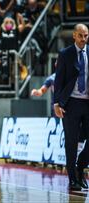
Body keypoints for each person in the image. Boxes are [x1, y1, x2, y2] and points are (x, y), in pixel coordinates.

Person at [54, 24, 89, 191]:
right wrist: (56, 103)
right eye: (80, 35)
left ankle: (80, 166)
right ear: (74, 35)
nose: (83, 39)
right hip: (71, 103)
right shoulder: (65, 54)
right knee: (71, 142)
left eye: (86, 36)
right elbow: (58, 80)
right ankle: (73, 179)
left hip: (87, 103)